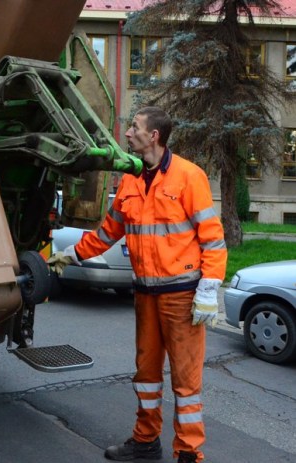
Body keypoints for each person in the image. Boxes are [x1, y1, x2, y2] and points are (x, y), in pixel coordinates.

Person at [49, 106, 227, 463]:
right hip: (145, 295)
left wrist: (209, 289)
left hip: (181, 296)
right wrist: (70, 254)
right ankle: (145, 442)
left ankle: (189, 453)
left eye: (134, 128)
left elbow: (213, 240)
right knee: (146, 376)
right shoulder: (129, 181)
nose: (128, 134)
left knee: (185, 382)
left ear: (154, 135)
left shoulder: (189, 177)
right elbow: (106, 233)